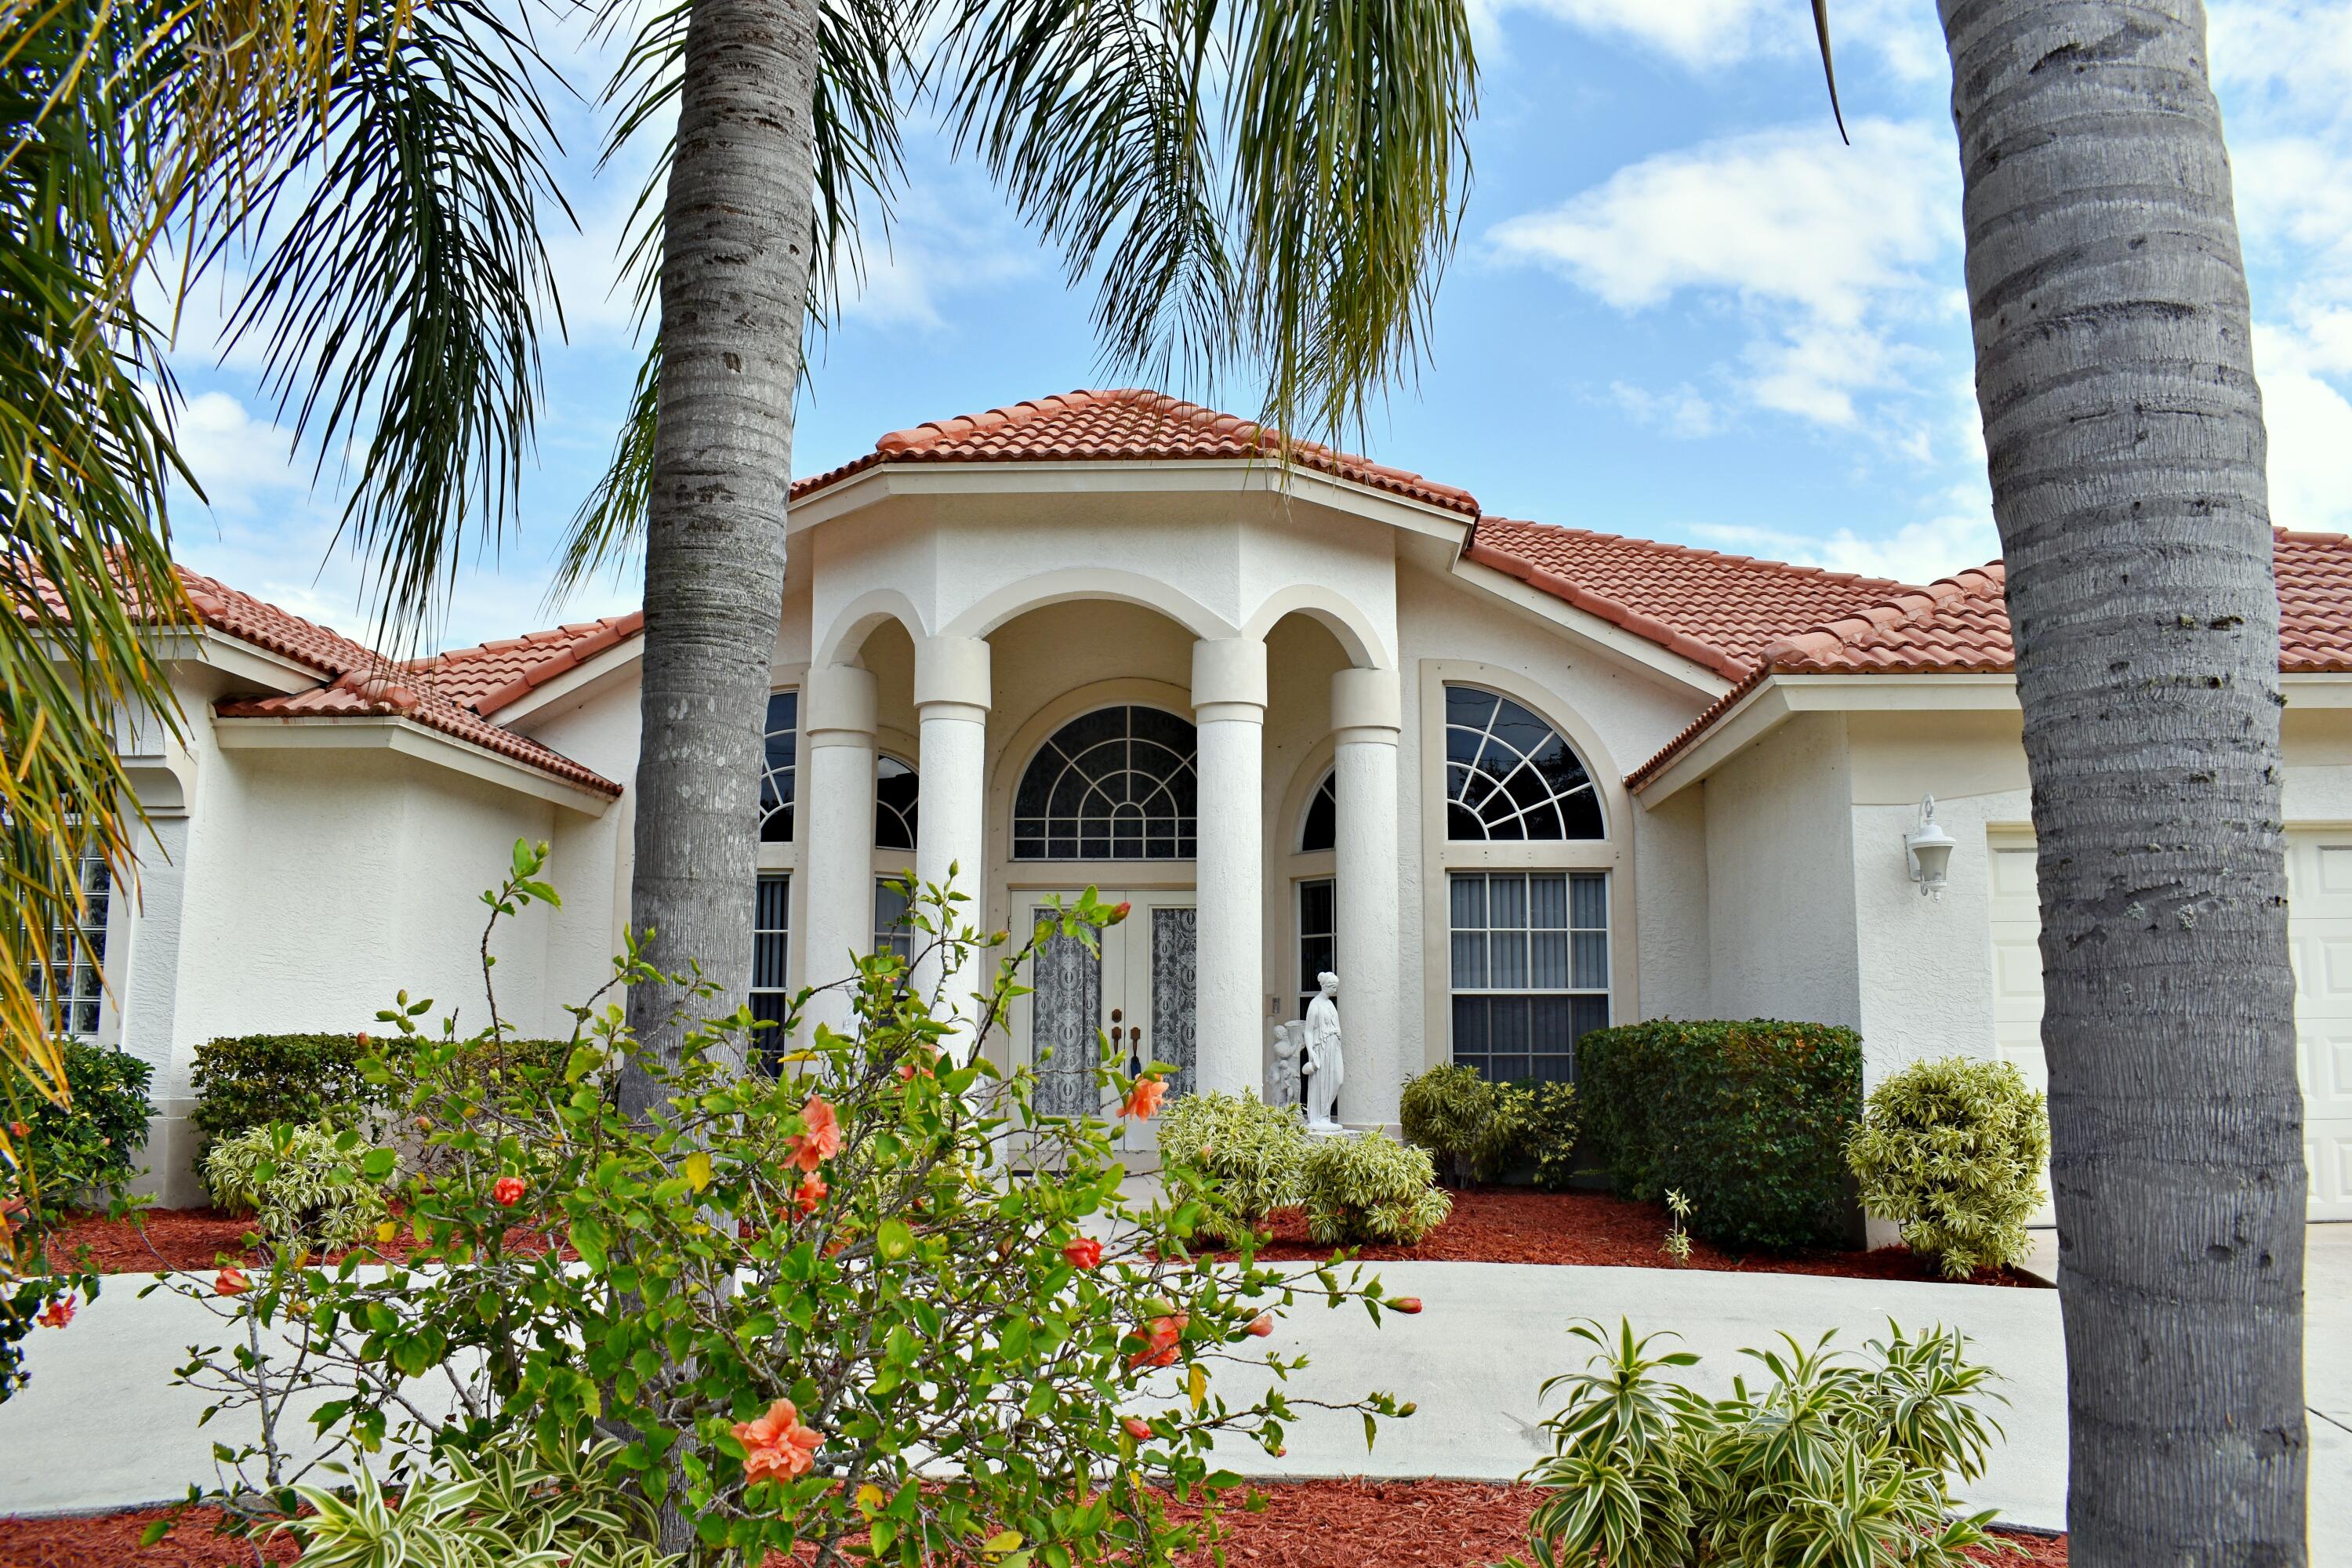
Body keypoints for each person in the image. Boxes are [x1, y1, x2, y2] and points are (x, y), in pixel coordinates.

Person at [1301, 971, 1345, 1130]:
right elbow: (1308, 1031)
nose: (1335, 990)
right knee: (1321, 1082)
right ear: (1325, 986)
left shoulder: (1330, 1004)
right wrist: (1311, 1052)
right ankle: (1320, 1117)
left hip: (1334, 1047)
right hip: (1322, 1047)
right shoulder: (1315, 1005)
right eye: (1333, 987)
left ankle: (1325, 1114)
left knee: (1338, 1079)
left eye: (1336, 987)